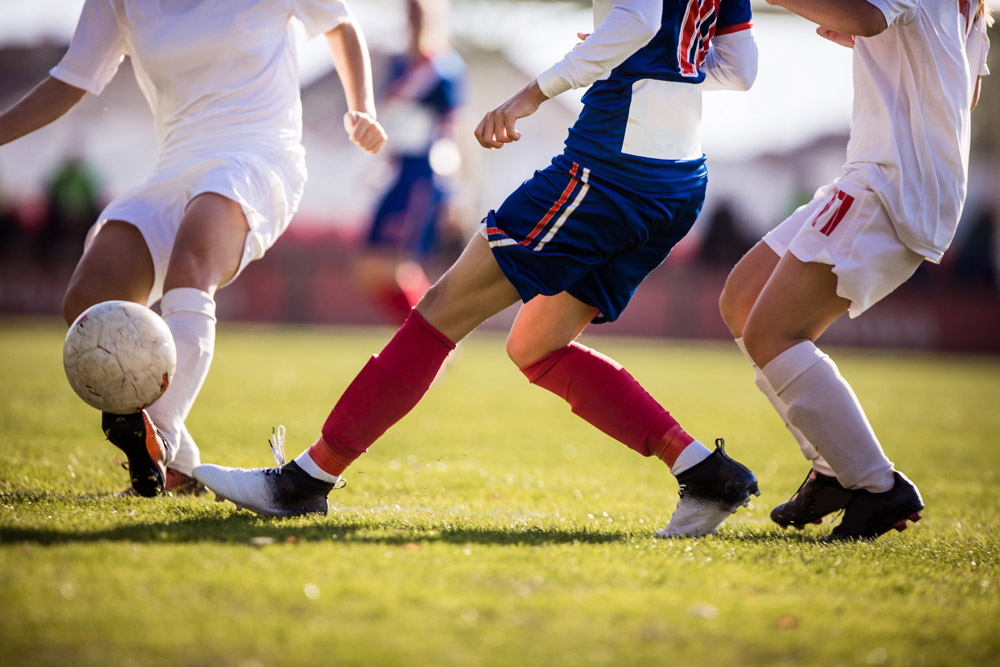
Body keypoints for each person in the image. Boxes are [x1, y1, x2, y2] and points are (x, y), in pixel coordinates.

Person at [196, 0, 762, 538]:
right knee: (536, 346)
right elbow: (739, 70)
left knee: (440, 312)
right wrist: (654, 64)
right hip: (680, 178)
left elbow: (637, 20)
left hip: (611, 169)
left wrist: (531, 95)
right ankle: (705, 474)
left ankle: (305, 480)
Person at [0, 0, 387, 498]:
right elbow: (70, 79)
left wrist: (362, 109)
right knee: (88, 303)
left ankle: (158, 434)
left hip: (257, 153)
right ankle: (179, 464)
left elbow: (341, 25)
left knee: (191, 265)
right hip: (173, 163)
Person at [717, 0, 991, 539]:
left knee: (773, 332)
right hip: (882, 178)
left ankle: (877, 486)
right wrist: (887, 46)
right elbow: (963, 91)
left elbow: (867, 16)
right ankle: (834, 470)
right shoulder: (974, 10)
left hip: (887, 185)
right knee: (743, 300)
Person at [357, 0, 469, 324]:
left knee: (399, 264)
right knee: (370, 267)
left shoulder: (445, 69)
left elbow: (452, 132)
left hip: (425, 175)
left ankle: (431, 338)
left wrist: (455, 192)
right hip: (398, 170)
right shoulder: (399, 65)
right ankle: (422, 336)